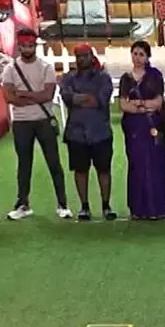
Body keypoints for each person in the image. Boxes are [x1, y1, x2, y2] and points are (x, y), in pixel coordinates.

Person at [2, 27, 69, 221]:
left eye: (30, 45)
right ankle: (23, 204)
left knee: (53, 162)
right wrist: (33, 96)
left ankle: (62, 204)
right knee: (24, 164)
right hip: (21, 122)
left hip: (43, 120)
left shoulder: (46, 67)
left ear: (35, 46)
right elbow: (9, 97)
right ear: (19, 46)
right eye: (24, 45)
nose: (27, 49)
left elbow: (48, 95)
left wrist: (23, 94)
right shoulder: (10, 69)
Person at [59, 43, 118, 221]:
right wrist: (85, 98)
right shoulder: (68, 78)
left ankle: (106, 205)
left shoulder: (103, 78)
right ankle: (84, 207)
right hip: (76, 133)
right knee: (80, 170)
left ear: (92, 57)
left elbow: (99, 100)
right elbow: (67, 97)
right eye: (78, 56)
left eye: (85, 56)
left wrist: (78, 99)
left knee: (104, 170)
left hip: (100, 132)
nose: (81, 59)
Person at [118, 40, 165, 221]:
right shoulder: (126, 78)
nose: (137, 57)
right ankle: (138, 209)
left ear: (148, 57)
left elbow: (157, 103)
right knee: (137, 165)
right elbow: (123, 105)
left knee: (155, 165)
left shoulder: (154, 76)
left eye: (141, 54)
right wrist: (142, 108)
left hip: (152, 126)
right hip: (134, 128)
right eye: (135, 53)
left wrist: (139, 103)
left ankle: (157, 208)